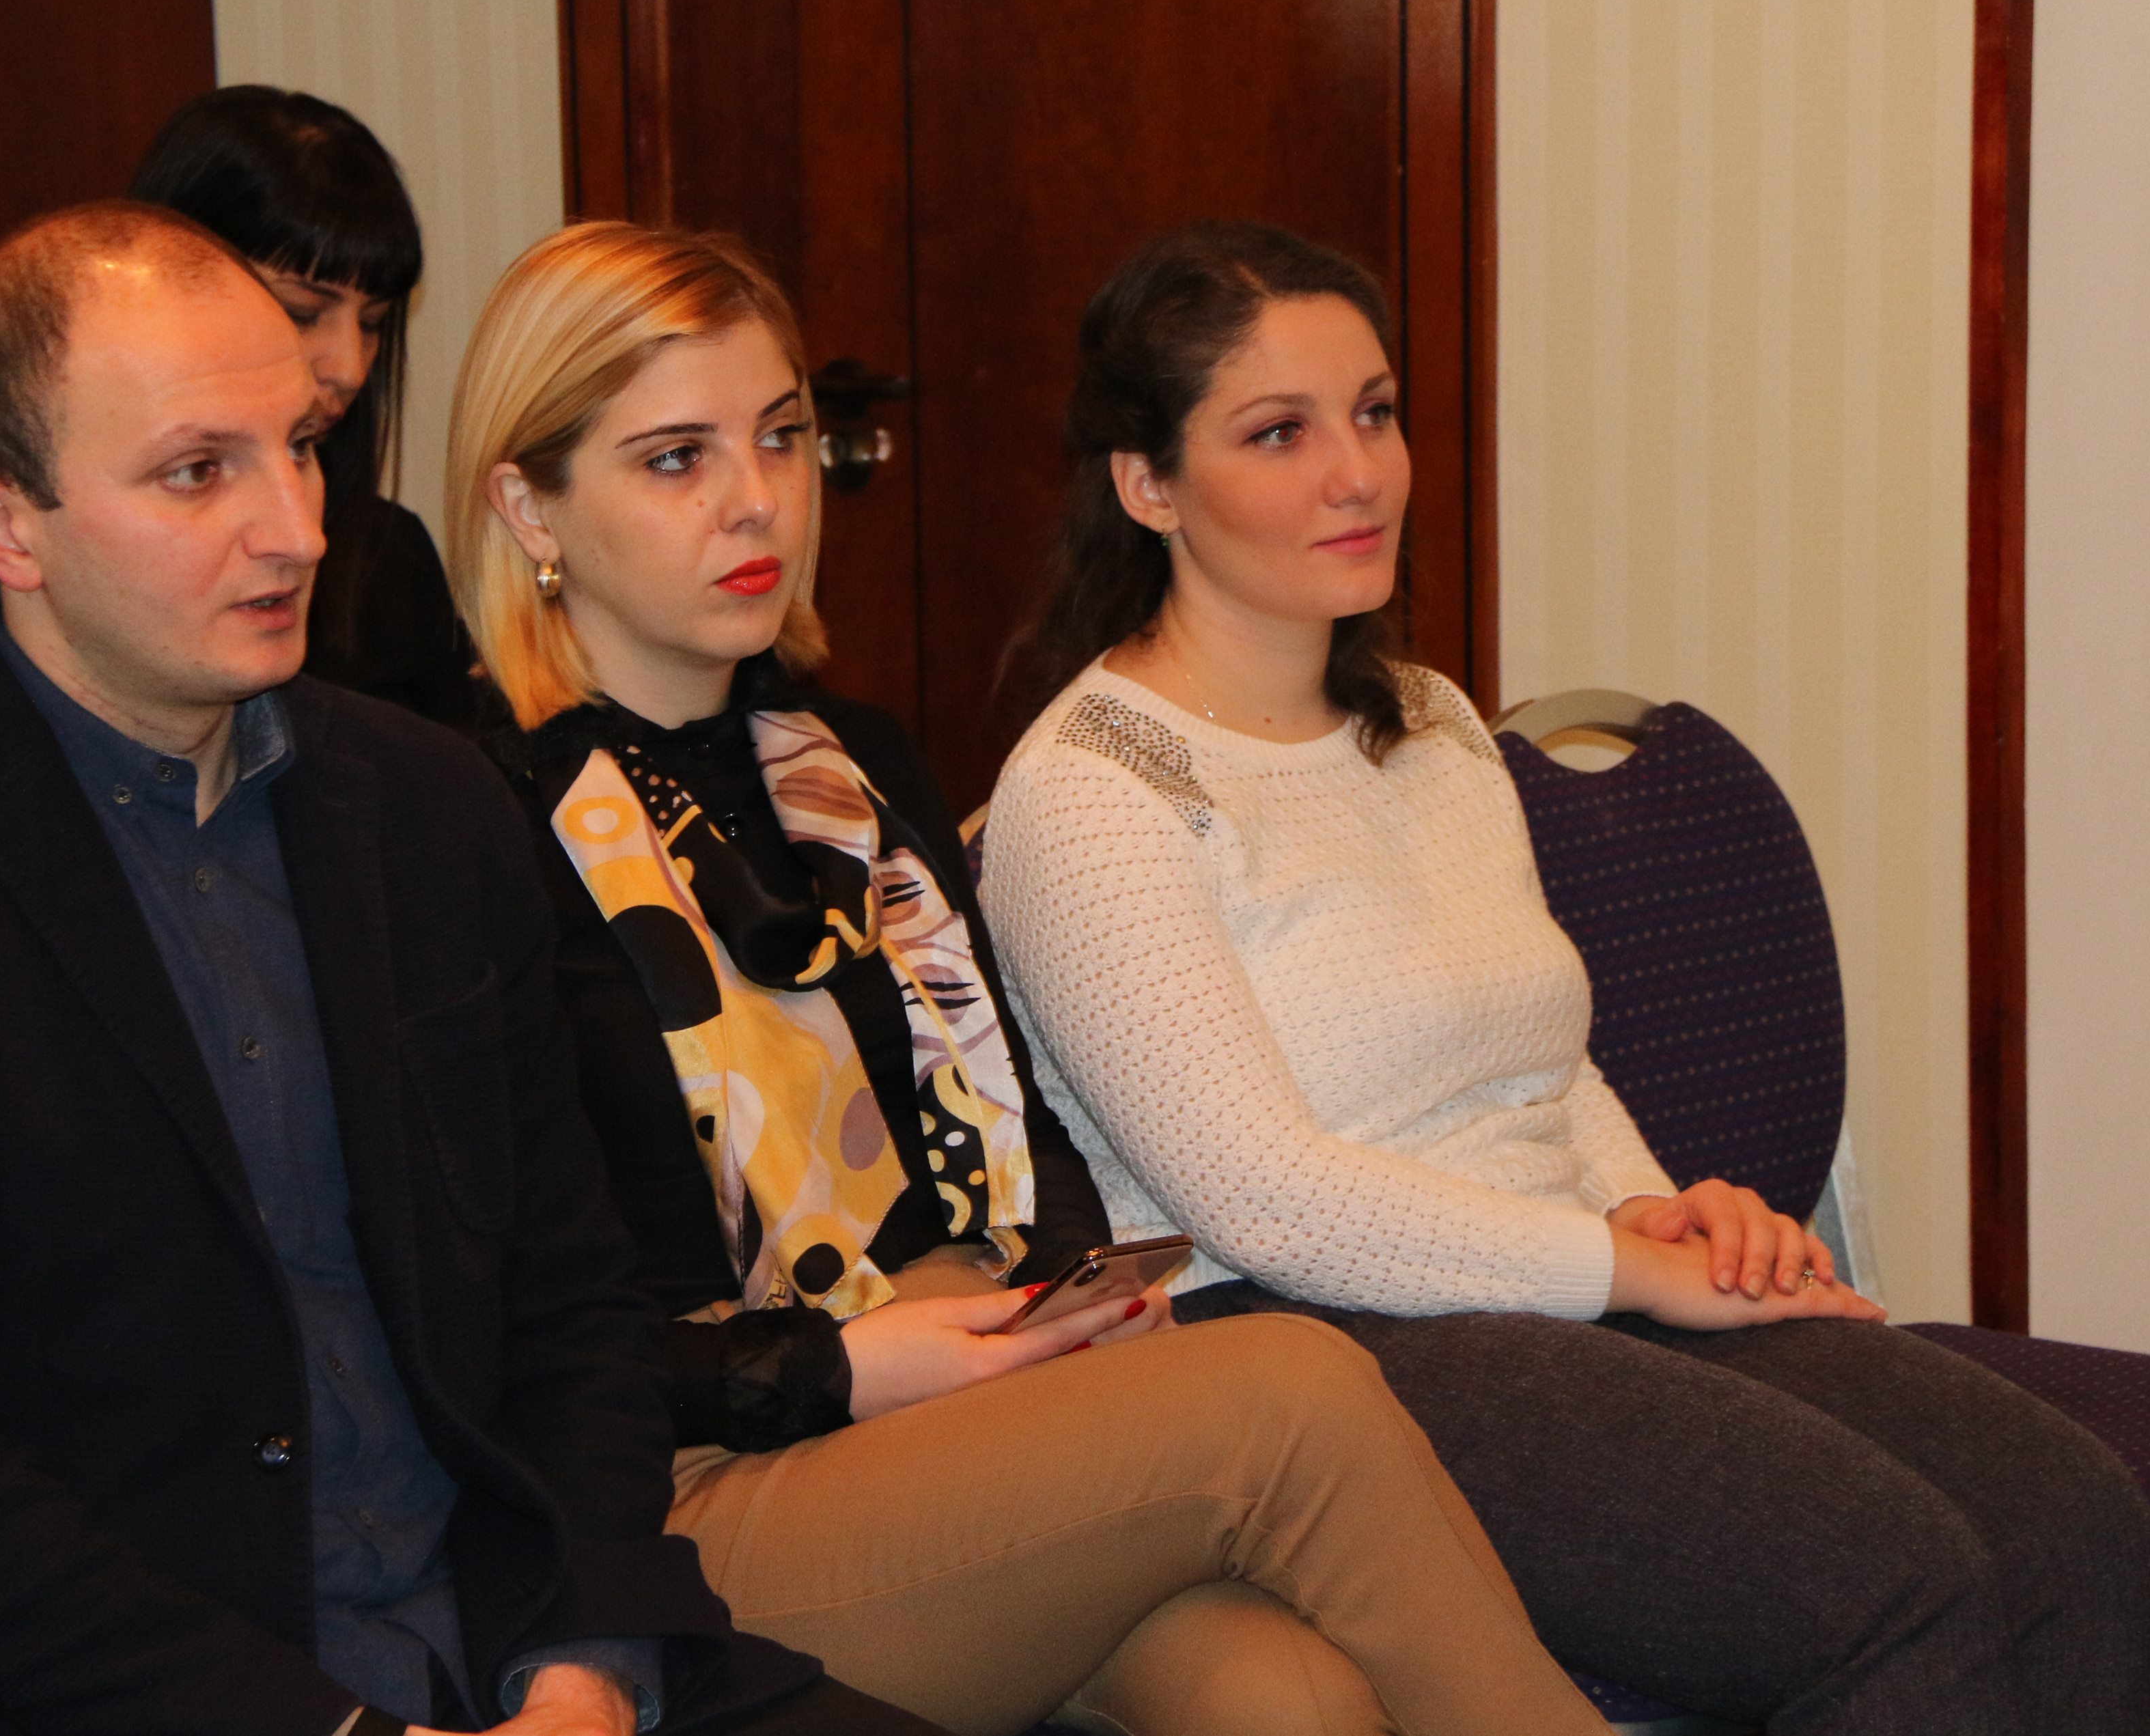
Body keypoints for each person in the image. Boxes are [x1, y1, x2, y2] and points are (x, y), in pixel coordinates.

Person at [0, 199, 932, 1736]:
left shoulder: (426, 805)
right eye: (199, 472)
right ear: (1, 526)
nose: (297, 530)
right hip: (106, 1696)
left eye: (301, 447)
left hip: (505, 1641)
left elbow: (568, 1301)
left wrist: (586, 1669)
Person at [980, 220, 2150, 1735]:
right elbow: (1262, 1203)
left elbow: (1544, 1064)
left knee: (2071, 1519)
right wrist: (1619, 1267)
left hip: (1548, 1282)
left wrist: (1655, 1213)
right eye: (1278, 433)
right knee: (1889, 1579)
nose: (1357, 474)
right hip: (1305, 1343)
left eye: (1374, 412)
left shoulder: (1429, 722)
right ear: (1148, 486)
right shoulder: (1092, 791)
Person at [450, 219, 1615, 1736]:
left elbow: (1013, 1114)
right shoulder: (455, 820)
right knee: (1293, 1389)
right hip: (687, 1492)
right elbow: (486, 1329)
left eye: (781, 436)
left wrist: (1062, 1299)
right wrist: (831, 1369)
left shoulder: (853, 763)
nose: (756, 499)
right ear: (527, 505)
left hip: (961, 1404)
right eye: (676, 459)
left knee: (1290, 1701)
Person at [130, 85, 474, 725]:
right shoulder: (110, 548)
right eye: (302, 312)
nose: (348, 368)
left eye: (372, 323)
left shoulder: (388, 557)